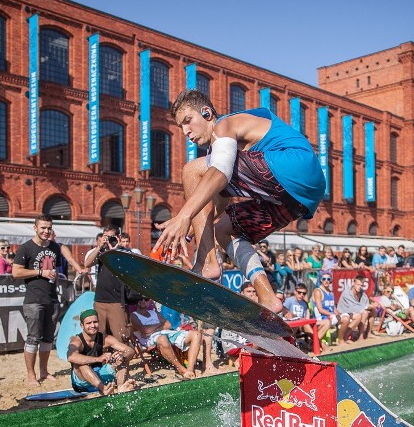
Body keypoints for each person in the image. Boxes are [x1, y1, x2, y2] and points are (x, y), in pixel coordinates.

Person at [154, 90, 326, 314]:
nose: (186, 132)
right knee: (223, 230)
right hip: (298, 198)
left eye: (188, 121)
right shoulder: (231, 152)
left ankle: (206, 262)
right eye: (181, 128)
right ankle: (268, 298)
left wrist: (184, 216)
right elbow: (220, 199)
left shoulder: (224, 125)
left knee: (192, 170)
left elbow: (221, 172)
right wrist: (198, 225)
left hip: (293, 165)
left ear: (206, 113)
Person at [13, 214, 87, 387]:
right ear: (35, 228)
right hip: (33, 299)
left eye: (49, 228)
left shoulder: (54, 247)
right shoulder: (26, 248)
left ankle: (44, 371)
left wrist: (74, 270)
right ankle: (31, 375)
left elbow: (63, 263)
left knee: (47, 338)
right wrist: (40, 272)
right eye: (43, 228)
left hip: (52, 298)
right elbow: (16, 272)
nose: (46, 231)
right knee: (33, 338)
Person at [84, 226, 137, 344]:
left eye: (111, 237)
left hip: (117, 301)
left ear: (118, 237)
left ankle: (121, 361)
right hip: (100, 300)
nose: (108, 240)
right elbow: (87, 263)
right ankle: (101, 360)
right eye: (106, 237)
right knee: (99, 335)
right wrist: (99, 247)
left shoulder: (125, 251)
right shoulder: (101, 251)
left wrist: (115, 249)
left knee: (121, 336)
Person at [67, 309, 136, 395]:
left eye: (95, 322)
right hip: (82, 382)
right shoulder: (77, 341)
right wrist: (98, 359)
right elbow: (71, 357)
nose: (93, 325)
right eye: (89, 323)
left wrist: (123, 356)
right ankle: (104, 390)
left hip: (100, 375)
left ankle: (121, 388)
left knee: (122, 359)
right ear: (82, 325)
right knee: (82, 365)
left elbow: (130, 350)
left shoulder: (105, 338)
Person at [131, 297, 201, 379]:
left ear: (149, 301)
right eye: (139, 299)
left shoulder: (154, 312)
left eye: (146, 299)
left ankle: (190, 369)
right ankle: (181, 369)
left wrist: (152, 329)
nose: (143, 301)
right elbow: (145, 330)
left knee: (196, 334)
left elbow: (168, 325)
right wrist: (160, 324)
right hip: (149, 339)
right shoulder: (134, 315)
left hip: (167, 333)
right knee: (162, 339)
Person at [336, 274, 374, 344]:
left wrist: (371, 306)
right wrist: (368, 306)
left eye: (361, 285)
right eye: (358, 284)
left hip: (352, 312)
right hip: (343, 312)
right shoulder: (347, 293)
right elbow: (354, 307)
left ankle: (368, 333)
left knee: (373, 311)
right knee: (364, 313)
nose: (359, 287)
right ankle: (355, 336)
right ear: (353, 283)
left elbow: (365, 303)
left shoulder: (361, 292)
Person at [310, 273, 337, 342]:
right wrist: (332, 314)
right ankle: (314, 344)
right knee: (328, 322)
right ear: (321, 280)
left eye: (328, 279)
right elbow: (320, 310)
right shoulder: (318, 291)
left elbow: (334, 308)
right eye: (324, 279)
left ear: (331, 280)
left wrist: (338, 314)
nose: (326, 281)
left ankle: (342, 340)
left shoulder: (331, 293)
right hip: (320, 318)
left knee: (345, 318)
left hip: (329, 316)